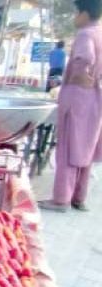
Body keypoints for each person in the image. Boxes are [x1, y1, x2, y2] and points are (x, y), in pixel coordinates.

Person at [39, 0, 102, 212]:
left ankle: (61, 199)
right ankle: (79, 197)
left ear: (84, 13)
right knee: (87, 147)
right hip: (96, 97)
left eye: (76, 12)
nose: (74, 17)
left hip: (78, 96)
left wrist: (77, 78)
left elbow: (85, 58)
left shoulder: (86, 34)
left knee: (68, 147)